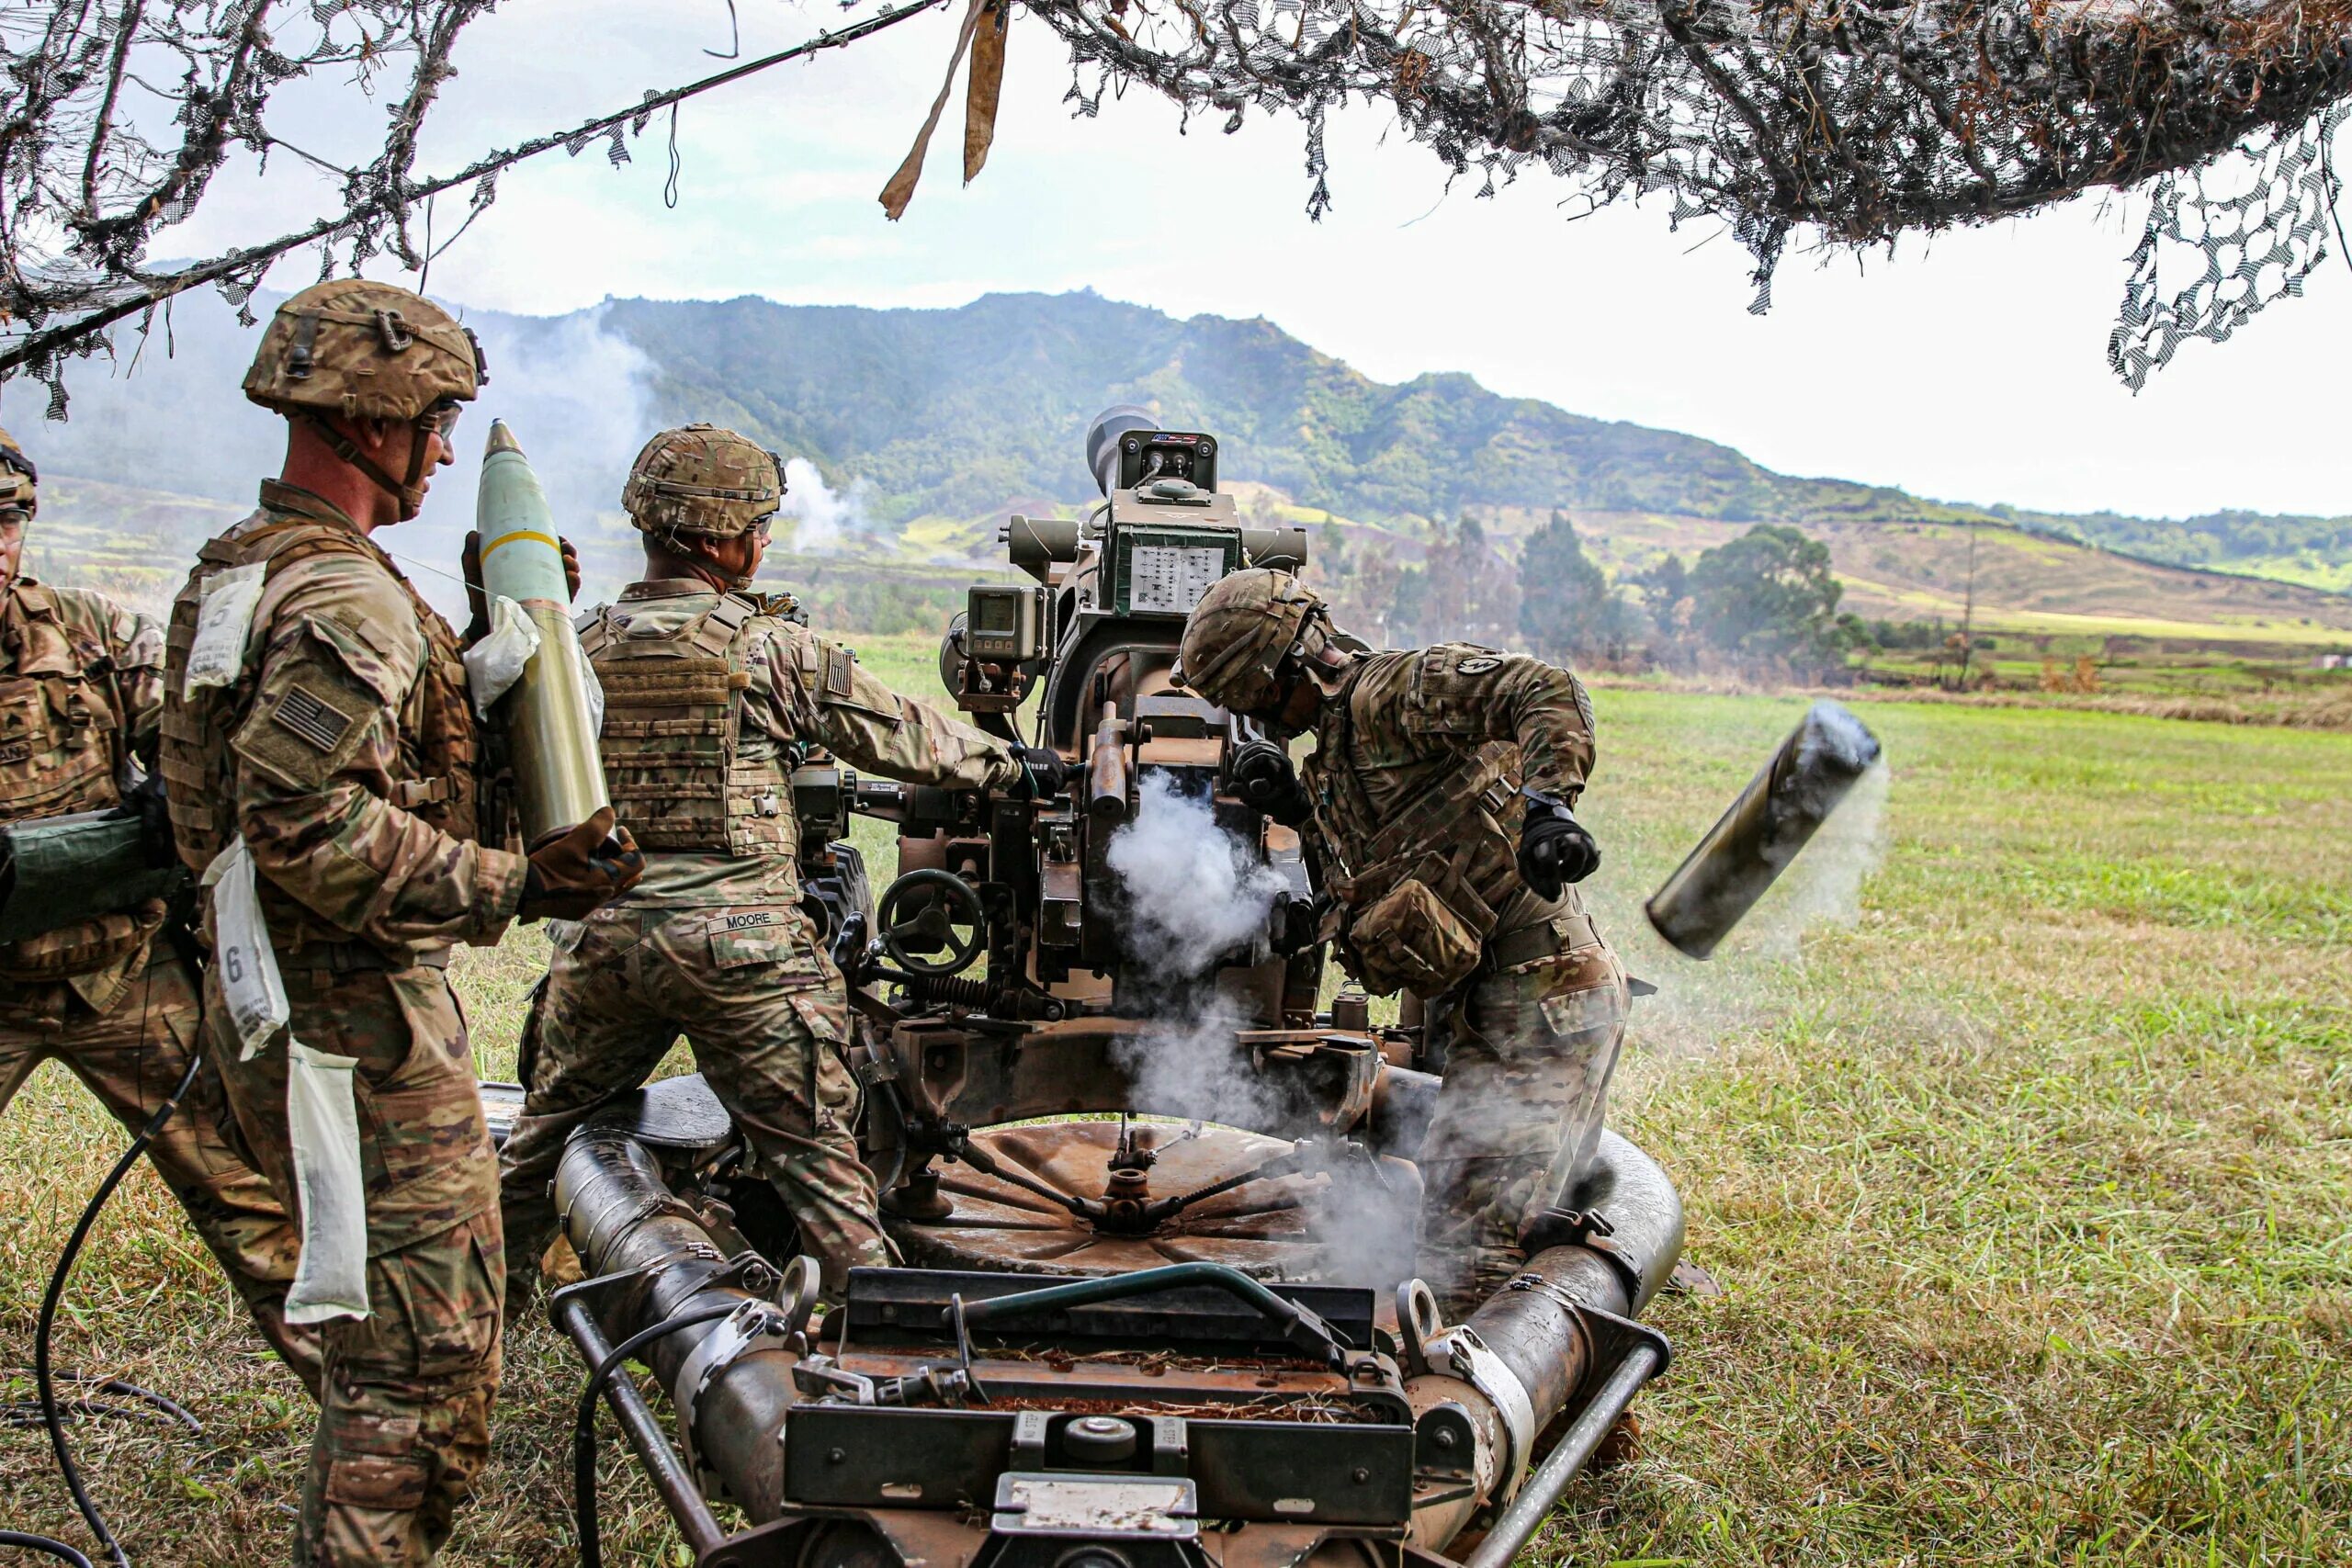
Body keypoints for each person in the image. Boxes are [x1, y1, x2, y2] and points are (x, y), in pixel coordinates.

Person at [159, 278, 643, 1566]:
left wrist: (487, 644)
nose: (442, 446)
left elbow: (346, 773)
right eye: (430, 420)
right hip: (354, 1023)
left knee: (384, 1349)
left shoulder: (245, 569)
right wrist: (521, 884)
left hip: (296, 1006)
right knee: (423, 1379)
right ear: (368, 420)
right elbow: (310, 823)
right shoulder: (344, 602)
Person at [496, 423, 1062, 1303]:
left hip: (606, 946)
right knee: (823, 1170)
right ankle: (876, 1349)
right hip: (745, 957)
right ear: (723, 539)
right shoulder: (767, 649)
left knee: (540, 1140)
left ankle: (466, 1312)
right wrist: (1013, 764)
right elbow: (899, 732)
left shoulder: (588, 646)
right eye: (757, 523)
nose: (763, 540)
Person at [1175, 567, 1623, 1316]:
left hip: (1538, 1002)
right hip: (1508, 1004)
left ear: (1282, 671)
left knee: (1463, 1265)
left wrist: (1549, 807)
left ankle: (1473, 1411)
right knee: (1518, 1227)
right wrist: (1294, 803)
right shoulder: (1336, 755)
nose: (1255, 721)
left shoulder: (1392, 693)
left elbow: (1544, 689)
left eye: (1249, 701)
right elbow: (1369, 876)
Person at [0, 425, 322, 1391]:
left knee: (260, 1207)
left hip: (124, 978)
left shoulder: (89, 634)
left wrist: (181, 788)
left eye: (6, 522)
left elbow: (197, 740)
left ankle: (370, 1431)